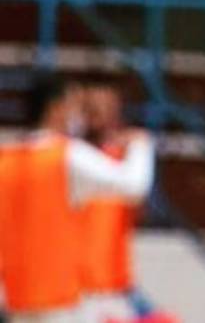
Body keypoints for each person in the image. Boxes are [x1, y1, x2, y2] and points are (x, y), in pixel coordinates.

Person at [0, 75, 153, 323]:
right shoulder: (68, 155)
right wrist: (141, 146)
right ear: (57, 108)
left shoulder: (6, 159)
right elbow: (133, 186)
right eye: (76, 105)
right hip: (64, 301)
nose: (79, 115)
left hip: (18, 300)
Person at [78, 84, 146, 323]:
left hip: (112, 285)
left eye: (105, 106)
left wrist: (136, 148)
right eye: (91, 107)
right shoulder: (69, 155)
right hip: (73, 285)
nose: (97, 112)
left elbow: (138, 204)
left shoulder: (127, 157)